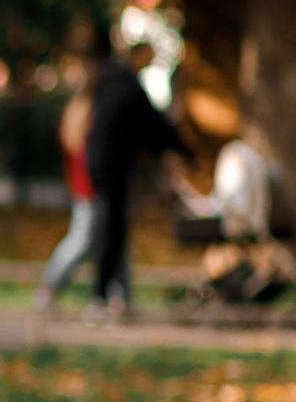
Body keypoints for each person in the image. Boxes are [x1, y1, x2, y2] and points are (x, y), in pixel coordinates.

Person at [83, 37, 189, 321]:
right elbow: (151, 123)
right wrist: (182, 149)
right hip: (112, 165)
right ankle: (102, 294)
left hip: (100, 161)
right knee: (110, 229)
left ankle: (115, 293)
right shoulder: (127, 86)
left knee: (113, 228)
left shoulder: (112, 81)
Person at [34, 71, 99, 311]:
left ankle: (116, 294)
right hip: (89, 186)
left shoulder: (77, 109)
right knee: (81, 239)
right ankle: (49, 287)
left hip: (84, 184)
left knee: (103, 241)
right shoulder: (88, 111)